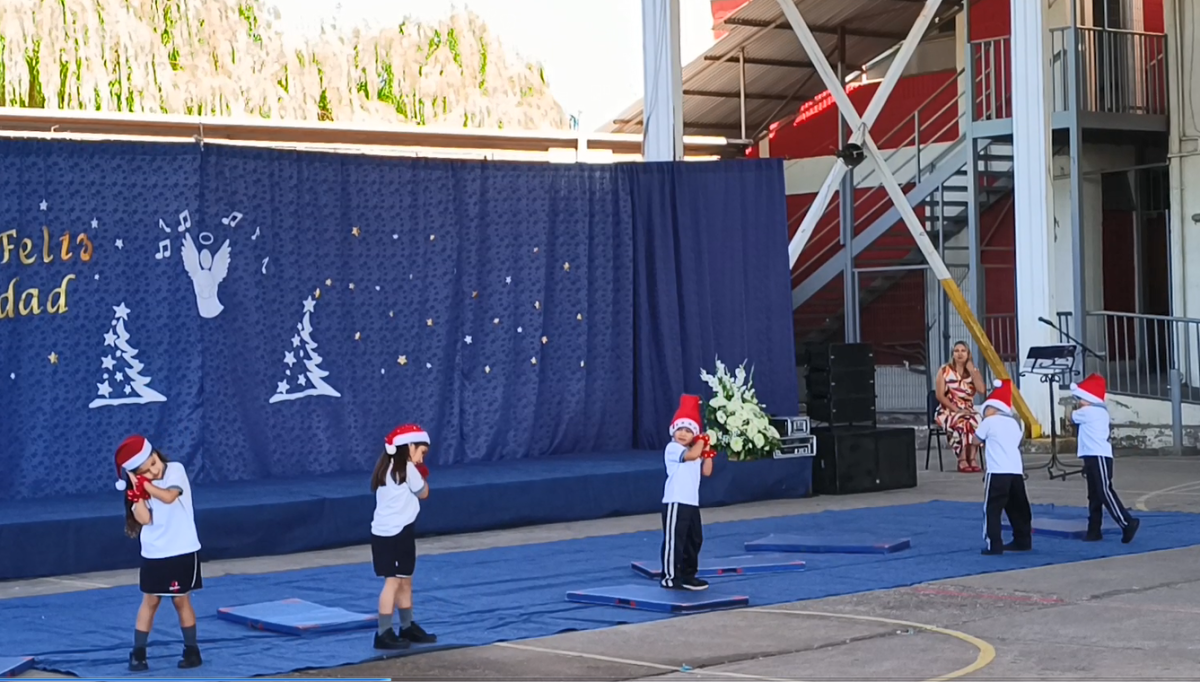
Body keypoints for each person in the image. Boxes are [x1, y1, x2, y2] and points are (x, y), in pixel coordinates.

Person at [115, 435, 203, 672]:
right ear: (135, 474)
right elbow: (145, 519)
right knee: (150, 601)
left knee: (180, 600)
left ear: (157, 454)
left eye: (153, 463)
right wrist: (137, 497)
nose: (154, 470)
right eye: (146, 471)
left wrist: (145, 485)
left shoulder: (175, 470)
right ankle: (138, 653)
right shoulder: (139, 488)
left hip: (182, 549)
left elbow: (169, 496)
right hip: (155, 552)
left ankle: (192, 651)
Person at [370, 424, 436, 650]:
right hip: (394, 533)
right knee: (394, 582)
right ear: (409, 446)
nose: (421, 458)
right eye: (421, 452)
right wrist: (422, 476)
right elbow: (424, 493)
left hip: (393, 531)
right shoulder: (407, 469)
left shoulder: (386, 467)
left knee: (405, 578)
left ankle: (406, 626)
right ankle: (383, 631)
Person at [1071, 374, 1140, 543]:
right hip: (1093, 455)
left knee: (1104, 491)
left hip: (1098, 455)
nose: (1079, 401)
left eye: (1081, 398)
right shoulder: (1097, 410)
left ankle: (1126, 522)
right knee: (1094, 494)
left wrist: (1078, 406)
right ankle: (1094, 530)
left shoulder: (1090, 411)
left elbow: (1071, 416)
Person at [660, 395, 715, 591]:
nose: (683, 434)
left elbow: (707, 471)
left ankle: (688, 574)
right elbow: (691, 455)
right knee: (675, 540)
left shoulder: (696, 450)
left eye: (688, 430)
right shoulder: (673, 448)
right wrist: (701, 440)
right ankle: (670, 577)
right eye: (679, 430)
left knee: (694, 539)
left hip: (691, 502)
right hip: (675, 500)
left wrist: (707, 450)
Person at [975, 380, 1033, 556]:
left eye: (985, 410)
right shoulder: (1015, 424)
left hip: (997, 472)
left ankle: (994, 544)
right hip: (1015, 470)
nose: (983, 414)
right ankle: (1023, 540)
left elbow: (975, 440)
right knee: (1019, 507)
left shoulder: (989, 422)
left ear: (992, 408)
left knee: (992, 508)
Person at [935, 341, 986, 473]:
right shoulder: (944, 370)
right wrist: (957, 410)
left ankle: (972, 458)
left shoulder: (974, 371)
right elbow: (940, 396)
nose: (959, 354)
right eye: (956, 351)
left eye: (963, 351)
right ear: (952, 354)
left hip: (968, 409)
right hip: (947, 410)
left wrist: (972, 371)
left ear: (968, 354)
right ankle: (962, 459)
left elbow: (981, 390)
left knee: (976, 421)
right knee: (962, 421)